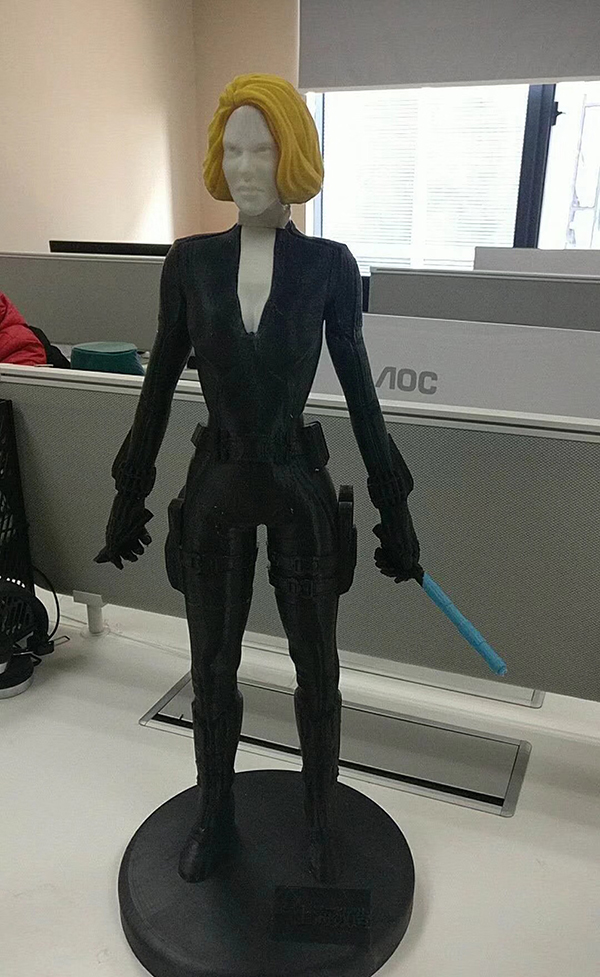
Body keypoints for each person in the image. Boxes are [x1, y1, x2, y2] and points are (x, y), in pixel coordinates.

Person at [96, 74, 422, 884]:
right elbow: (157, 387)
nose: (246, 167)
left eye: (263, 150)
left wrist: (396, 511)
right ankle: (214, 815)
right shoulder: (189, 263)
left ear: (294, 156)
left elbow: (362, 395)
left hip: (298, 486)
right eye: (234, 150)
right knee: (211, 668)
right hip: (215, 486)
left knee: (319, 670)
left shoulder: (328, 267)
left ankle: (319, 822)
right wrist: (129, 495)